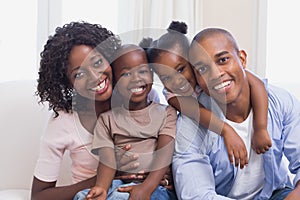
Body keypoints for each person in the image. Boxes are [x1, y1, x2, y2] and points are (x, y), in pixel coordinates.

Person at [31, 21, 170, 200]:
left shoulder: (142, 94)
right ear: (68, 83)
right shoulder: (63, 120)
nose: (95, 77)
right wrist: (107, 175)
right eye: (79, 74)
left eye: (97, 62)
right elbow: (39, 196)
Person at [173, 27, 300, 199]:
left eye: (223, 60)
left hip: (274, 194)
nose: (216, 74)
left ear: (242, 59)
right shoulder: (191, 123)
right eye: (202, 69)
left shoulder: (280, 102)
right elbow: (197, 195)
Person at [141, 21, 271, 169]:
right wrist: (227, 131)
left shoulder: (208, 72)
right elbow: (198, 112)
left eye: (181, 69)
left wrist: (260, 128)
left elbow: (257, 85)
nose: (177, 81)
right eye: (166, 78)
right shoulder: (173, 96)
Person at [75, 44, 177, 200]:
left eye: (142, 71)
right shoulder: (106, 119)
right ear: (114, 82)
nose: (136, 78)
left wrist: (146, 188)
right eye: (126, 74)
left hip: (156, 186)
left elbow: (165, 153)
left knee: (119, 198)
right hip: (119, 183)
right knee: (82, 196)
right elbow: (107, 160)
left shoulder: (166, 113)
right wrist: (101, 188)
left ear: (151, 74)